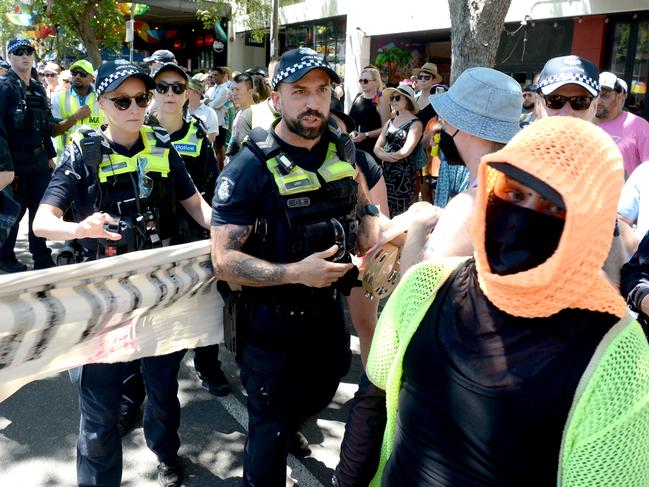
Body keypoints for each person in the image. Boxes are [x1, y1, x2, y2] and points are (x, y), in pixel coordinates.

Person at [367, 115, 649, 486]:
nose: (521, 218)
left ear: (591, 224)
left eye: (553, 206)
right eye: (515, 193)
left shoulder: (619, 355)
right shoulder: (427, 285)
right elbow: (371, 407)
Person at [32, 59, 213, 487]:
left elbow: (197, 206)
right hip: (103, 304)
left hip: (160, 296)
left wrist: (231, 228)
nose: (135, 108)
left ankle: (166, 455)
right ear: (101, 104)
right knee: (99, 416)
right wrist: (80, 228)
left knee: (164, 390)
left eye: (142, 98)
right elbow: (42, 221)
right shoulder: (83, 151)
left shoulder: (162, 145)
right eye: (122, 100)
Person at [211, 47, 379, 486]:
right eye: (299, 91)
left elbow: (361, 203)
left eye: (322, 90)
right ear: (276, 99)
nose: (313, 102)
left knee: (323, 390)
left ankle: (289, 425)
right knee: (266, 430)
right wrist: (292, 273)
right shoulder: (248, 167)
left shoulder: (341, 149)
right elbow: (223, 261)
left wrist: (371, 226)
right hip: (270, 327)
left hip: (327, 318)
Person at [0, 39, 57, 272]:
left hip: (39, 160)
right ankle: (5, 258)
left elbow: (45, 126)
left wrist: (50, 155)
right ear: (9, 56)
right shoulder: (4, 87)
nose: (25, 56)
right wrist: (5, 166)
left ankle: (41, 257)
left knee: (41, 210)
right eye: (19, 52)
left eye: (29, 52)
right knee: (14, 212)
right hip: (15, 162)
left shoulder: (37, 87)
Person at [373, 84, 423, 217]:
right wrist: (384, 156)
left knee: (401, 212)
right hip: (385, 171)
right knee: (384, 208)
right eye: (392, 98)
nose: (393, 101)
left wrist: (387, 156)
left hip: (403, 174)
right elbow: (377, 146)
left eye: (397, 98)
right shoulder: (390, 122)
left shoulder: (416, 123)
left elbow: (407, 150)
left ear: (407, 100)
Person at [595, 71, 649, 176]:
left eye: (605, 96)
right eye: (595, 95)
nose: (598, 101)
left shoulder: (640, 126)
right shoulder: (584, 123)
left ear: (619, 96)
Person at [51, 59, 103, 159]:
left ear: (91, 78)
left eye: (82, 74)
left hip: (95, 158)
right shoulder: (58, 98)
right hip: (66, 159)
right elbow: (54, 132)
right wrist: (75, 117)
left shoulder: (101, 99)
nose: (77, 77)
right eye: (74, 73)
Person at [348, 67, 386, 155]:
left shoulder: (381, 100)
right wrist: (350, 132)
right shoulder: (358, 97)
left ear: (376, 82)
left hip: (371, 147)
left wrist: (366, 135)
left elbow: (386, 128)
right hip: (354, 145)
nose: (362, 83)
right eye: (360, 80)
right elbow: (350, 120)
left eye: (365, 81)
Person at [185, 78, 219, 145]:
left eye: (187, 89)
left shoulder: (210, 112)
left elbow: (212, 137)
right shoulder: (180, 110)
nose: (184, 91)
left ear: (197, 92)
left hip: (202, 153)